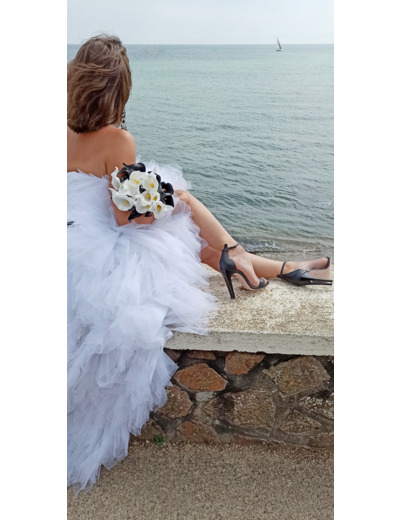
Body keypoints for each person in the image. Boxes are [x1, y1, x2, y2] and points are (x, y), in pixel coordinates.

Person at [67, 34, 331, 491]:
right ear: (119, 89)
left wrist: (155, 198)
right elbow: (124, 218)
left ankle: (275, 264)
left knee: (190, 238)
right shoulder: (118, 138)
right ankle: (257, 260)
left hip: (72, 240)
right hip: (106, 243)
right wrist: (166, 202)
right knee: (186, 209)